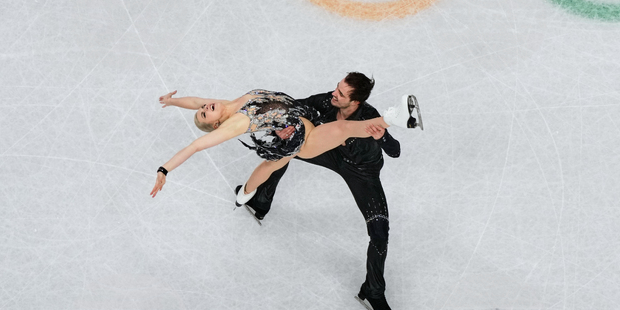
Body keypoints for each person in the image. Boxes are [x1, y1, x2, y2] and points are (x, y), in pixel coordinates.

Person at [246, 73, 401, 310]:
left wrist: (380, 137)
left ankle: (373, 291)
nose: (334, 94)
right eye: (336, 88)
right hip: (331, 153)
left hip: (363, 173)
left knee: (380, 233)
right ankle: (260, 201)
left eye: (341, 94)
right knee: (290, 147)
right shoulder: (327, 102)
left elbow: (395, 151)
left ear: (355, 103)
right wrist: (285, 125)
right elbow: (296, 106)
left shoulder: (370, 117)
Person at [149, 88, 421, 210]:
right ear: (217, 123)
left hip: (303, 117)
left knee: (272, 165)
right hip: (301, 138)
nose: (205, 108)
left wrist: (173, 102)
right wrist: (164, 170)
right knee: (342, 130)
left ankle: (244, 195)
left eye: (204, 109)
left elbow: (196, 99)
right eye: (205, 115)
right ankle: (394, 118)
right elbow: (196, 145)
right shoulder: (232, 124)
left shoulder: (228, 103)